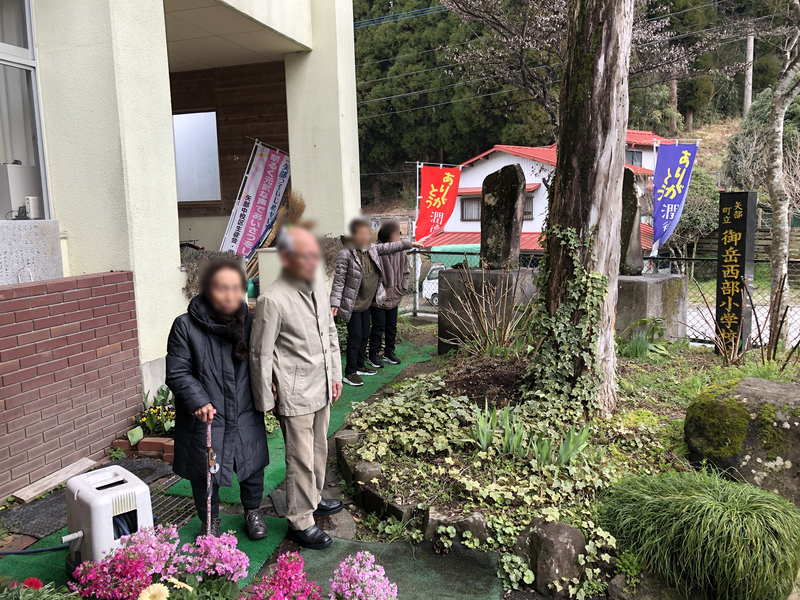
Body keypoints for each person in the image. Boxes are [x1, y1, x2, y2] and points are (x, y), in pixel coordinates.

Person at [249, 228, 344, 550]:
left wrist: (336, 375)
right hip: (294, 391)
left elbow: (330, 333)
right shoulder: (272, 299)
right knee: (300, 458)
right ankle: (300, 520)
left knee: (319, 449)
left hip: (322, 384)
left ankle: (313, 499)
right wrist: (266, 400)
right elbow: (260, 353)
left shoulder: (317, 286)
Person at [165, 258, 269, 540]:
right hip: (207, 412)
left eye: (236, 288)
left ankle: (253, 510)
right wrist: (198, 400)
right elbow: (177, 371)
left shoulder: (251, 322)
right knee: (205, 468)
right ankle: (209, 519)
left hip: (245, 405)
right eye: (222, 288)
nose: (230, 295)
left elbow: (266, 358)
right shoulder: (185, 326)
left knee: (252, 460)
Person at [330, 218, 421, 386]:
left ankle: (359, 365)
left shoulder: (372, 248)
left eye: (367, 233)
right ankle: (350, 372)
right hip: (353, 303)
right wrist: (334, 303)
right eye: (361, 233)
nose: (365, 237)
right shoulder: (346, 253)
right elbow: (339, 280)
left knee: (365, 334)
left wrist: (410, 243)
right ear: (354, 235)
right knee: (356, 336)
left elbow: (389, 247)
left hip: (367, 301)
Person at [368, 221, 409, 366]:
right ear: (388, 234)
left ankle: (389, 352)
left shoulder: (401, 251)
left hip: (395, 296)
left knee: (392, 326)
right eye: (397, 233)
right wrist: (376, 290)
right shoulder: (375, 249)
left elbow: (406, 272)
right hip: (378, 296)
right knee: (378, 326)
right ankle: (373, 354)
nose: (400, 235)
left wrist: (402, 287)